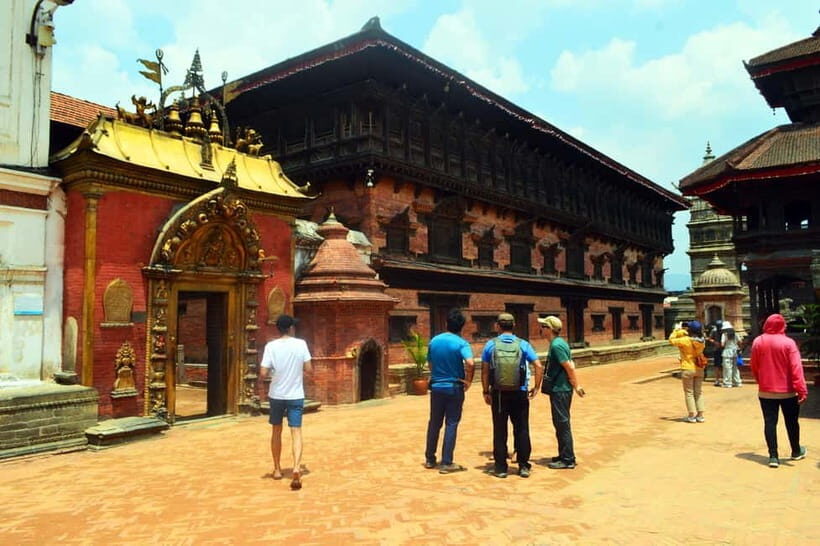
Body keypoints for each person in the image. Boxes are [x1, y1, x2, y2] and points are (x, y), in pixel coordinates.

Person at [481, 313, 543, 478]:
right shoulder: (523, 344)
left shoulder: (490, 345)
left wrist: (486, 391)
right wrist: (536, 387)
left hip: (499, 393)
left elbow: (485, 370)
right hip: (520, 392)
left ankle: (501, 467)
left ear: (498, 326)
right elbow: (538, 366)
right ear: (513, 325)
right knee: (522, 428)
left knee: (500, 430)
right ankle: (523, 466)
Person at [259, 314, 312, 490]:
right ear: (290, 328)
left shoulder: (270, 346)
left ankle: (276, 469)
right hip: (296, 394)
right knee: (296, 431)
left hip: (277, 394)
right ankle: (296, 467)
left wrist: (276, 372)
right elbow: (309, 369)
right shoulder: (301, 344)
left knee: (276, 430)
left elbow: (263, 373)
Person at [750, 313, 808, 468]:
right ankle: (796, 451)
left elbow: (754, 366)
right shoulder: (788, 343)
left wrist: (761, 381)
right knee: (792, 422)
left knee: (770, 422)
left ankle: (773, 456)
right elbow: (796, 369)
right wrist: (801, 389)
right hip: (788, 391)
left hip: (766, 391)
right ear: (782, 326)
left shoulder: (758, 341)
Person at [424, 309, 475, 474]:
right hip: (454, 387)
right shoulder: (461, 343)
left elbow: (430, 364)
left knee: (434, 423)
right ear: (462, 327)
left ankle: (430, 459)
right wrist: (468, 381)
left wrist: (436, 375)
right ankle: (446, 462)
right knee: (451, 423)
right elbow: (471, 363)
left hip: (437, 387)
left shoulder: (434, 341)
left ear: (446, 324)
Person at [538, 316, 585, 469]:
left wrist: (577, 386)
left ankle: (568, 459)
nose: (542, 328)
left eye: (544, 326)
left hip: (560, 389)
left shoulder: (557, 345)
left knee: (562, 423)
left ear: (550, 329)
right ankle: (564, 453)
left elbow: (569, 366)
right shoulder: (558, 343)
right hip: (560, 389)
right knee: (560, 423)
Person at [669, 320, 706, 423]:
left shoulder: (685, 340)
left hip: (687, 368)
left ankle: (691, 415)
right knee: (698, 392)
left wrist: (676, 330)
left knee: (689, 393)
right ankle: (700, 415)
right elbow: (692, 335)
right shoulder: (702, 340)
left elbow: (671, 340)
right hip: (699, 368)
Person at [720, 321, 743, 388]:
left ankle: (727, 383)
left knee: (727, 368)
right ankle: (737, 382)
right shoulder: (736, 334)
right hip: (735, 352)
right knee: (735, 368)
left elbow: (722, 344)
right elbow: (740, 342)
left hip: (727, 352)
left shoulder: (724, 335)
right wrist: (739, 349)